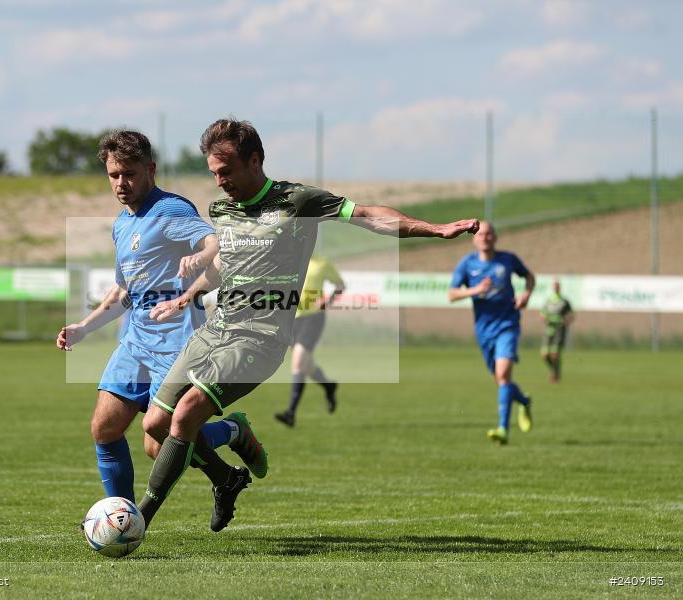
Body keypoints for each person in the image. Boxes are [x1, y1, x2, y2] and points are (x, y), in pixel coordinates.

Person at [137, 117, 480, 532]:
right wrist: (186, 297)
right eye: (213, 173)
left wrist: (435, 229)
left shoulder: (298, 201)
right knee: (155, 429)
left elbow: (370, 215)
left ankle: (137, 521)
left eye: (226, 171)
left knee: (187, 414)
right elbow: (226, 264)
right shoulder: (222, 210)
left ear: (254, 160)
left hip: (259, 338)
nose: (220, 182)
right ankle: (227, 471)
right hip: (213, 332)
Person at [56, 130, 268, 503]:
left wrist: (201, 257)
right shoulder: (122, 224)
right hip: (136, 342)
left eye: (130, 174)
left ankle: (232, 431)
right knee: (104, 428)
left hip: (177, 344)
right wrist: (83, 328)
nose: (121, 183)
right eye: (114, 175)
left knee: (160, 446)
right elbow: (123, 291)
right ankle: (123, 516)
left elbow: (216, 243)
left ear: (150, 170)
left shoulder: (170, 209)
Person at [447, 221, 536, 446]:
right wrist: (476, 290)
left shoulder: (508, 259)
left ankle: (503, 429)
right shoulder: (467, 264)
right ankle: (524, 401)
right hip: (484, 330)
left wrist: (526, 295)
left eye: (488, 234)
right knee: (501, 381)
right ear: (474, 239)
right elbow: (452, 294)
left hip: (508, 324)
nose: (485, 237)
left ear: (495, 237)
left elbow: (529, 277)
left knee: (503, 375)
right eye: (480, 234)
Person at [275, 255, 344, 427]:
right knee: (306, 365)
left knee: (298, 363)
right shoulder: (292, 261)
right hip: (293, 319)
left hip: (313, 318)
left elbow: (340, 285)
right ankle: (328, 386)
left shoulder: (322, 263)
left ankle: (290, 413)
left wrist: (328, 301)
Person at [540, 279, 573, 383]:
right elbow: (542, 314)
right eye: (554, 286)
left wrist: (566, 320)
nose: (556, 288)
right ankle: (555, 371)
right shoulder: (549, 301)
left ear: (559, 288)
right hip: (549, 329)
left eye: (557, 286)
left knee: (555, 354)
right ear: (552, 288)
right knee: (544, 355)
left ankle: (555, 374)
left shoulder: (564, 301)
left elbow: (571, 315)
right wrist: (544, 318)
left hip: (559, 329)